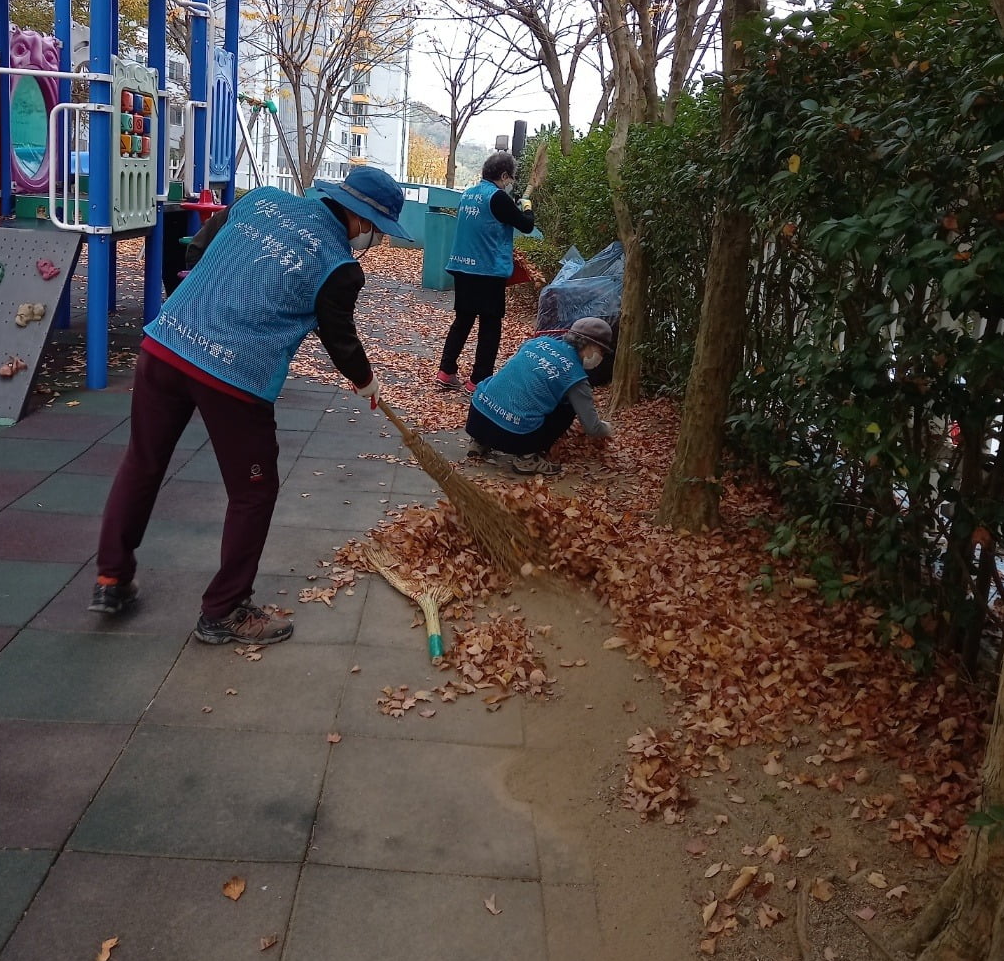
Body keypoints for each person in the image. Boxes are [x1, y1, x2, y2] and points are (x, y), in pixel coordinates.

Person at [88, 167, 412, 645]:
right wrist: (366, 383)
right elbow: (338, 337)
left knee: (143, 461)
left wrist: (198, 313)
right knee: (253, 492)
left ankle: (111, 579)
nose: (369, 236)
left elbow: (196, 250)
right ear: (362, 222)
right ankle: (223, 610)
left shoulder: (258, 199)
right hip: (234, 379)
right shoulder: (341, 267)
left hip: (165, 347)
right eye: (374, 229)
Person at [436, 151, 536, 393]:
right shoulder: (497, 198)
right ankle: (478, 379)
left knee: (463, 320)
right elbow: (526, 225)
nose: (510, 183)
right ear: (503, 175)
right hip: (487, 271)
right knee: (490, 327)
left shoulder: (468, 194)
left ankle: (446, 370)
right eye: (510, 178)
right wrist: (527, 206)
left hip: (462, 267)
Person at [464, 317, 615, 476]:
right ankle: (527, 458)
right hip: (514, 435)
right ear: (590, 346)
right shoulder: (576, 378)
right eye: (602, 351)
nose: (601, 357)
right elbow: (592, 427)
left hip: (477, 417)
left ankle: (479, 442)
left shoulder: (538, 342)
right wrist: (608, 429)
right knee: (568, 406)